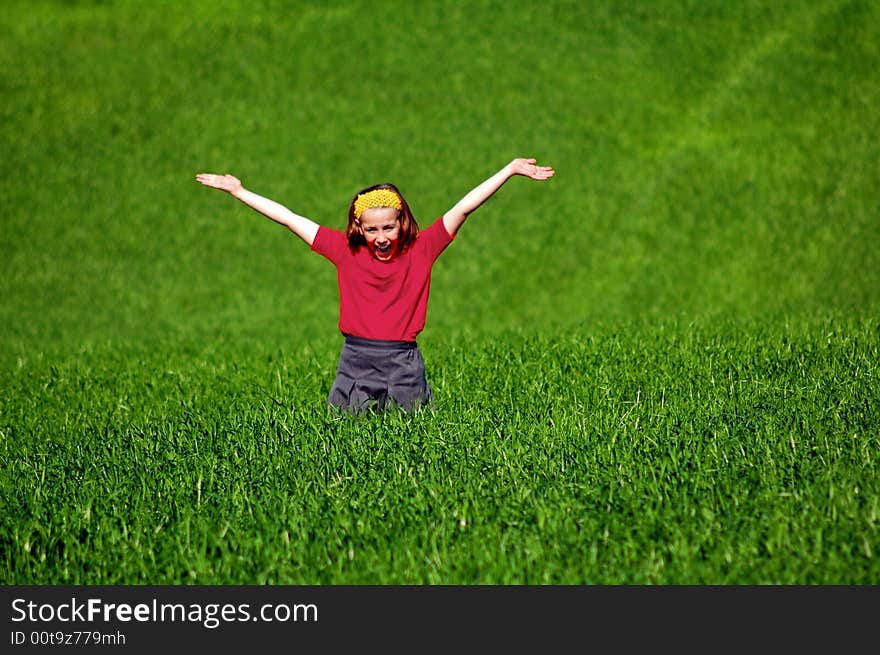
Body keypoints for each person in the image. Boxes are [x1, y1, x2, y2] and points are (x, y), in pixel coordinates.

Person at [195, 157, 555, 413]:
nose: (381, 236)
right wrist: (239, 192)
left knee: (411, 434)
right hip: (356, 359)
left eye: (389, 227)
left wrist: (509, 171)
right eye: (372, 229)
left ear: (402, 223)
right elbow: (290, 219)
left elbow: (463, 208)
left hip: (403, 359)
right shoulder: (344, 250)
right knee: (347, 435)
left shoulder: (422, 249)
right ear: (359, 228)